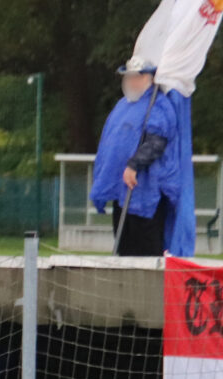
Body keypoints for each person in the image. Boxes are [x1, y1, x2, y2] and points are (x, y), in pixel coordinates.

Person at [90, 55, 182, 256]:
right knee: (124, 248)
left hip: (145, 191)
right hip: (121, 191)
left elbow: (156, 142)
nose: (129, 81)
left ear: (148, 78)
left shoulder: (158, 106)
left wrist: (133, 165)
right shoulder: (123, 106)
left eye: (135, 77)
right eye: (127, 77)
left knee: (146, 250)